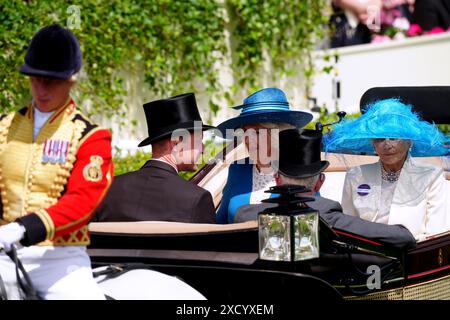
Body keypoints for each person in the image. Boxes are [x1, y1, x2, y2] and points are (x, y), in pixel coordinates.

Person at [0, 24, 113, 299]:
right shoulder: (4, 127)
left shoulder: (91, 137)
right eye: (35, 79)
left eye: (51, 81)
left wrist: (23, 228)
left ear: (71, 80)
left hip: (59, 263)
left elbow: (84, 200)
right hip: (3, 254)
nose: (41, 88)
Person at [234, 128, 416, 249]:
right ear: (320, 182)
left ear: (277, 179)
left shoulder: (245, 215)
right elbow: (404, 238)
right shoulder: (329, 216)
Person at [324, 99, 449, 240]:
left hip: (413, 254)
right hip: (367, 254)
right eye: (380, 138)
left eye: (394, 137)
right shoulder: (356, 175)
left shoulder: (432, 176)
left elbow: (436, 234)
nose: (387, 145)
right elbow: (347, 227)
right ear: (373, 144)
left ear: (410, 142)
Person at [94, 93, 216, 223]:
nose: (203, 149)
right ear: (177, 143)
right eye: (199, 141)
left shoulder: (105, 191)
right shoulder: (197, 199)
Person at [215, 88, 312, 224]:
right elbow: (220, 222)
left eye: (257, 132)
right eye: (245, 132)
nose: (249, 139)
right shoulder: (238, 169)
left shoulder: (300, 170)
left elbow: (312, 220)